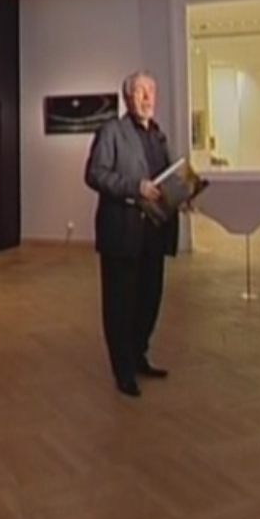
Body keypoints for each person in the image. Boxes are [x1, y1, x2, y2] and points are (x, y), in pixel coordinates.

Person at [84, 70, 179, 397]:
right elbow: (95, 174)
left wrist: (181, 196)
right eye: (140, 91)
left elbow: (166, 179)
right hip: (121, 234)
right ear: (127, 97)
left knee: (149, 301)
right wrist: (134, 188)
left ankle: (139, 356)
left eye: (151, 90)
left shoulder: (158, 135)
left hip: (153, 233)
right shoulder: (112, 131)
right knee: (120, 306)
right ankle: (123, 370)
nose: (147, 97)